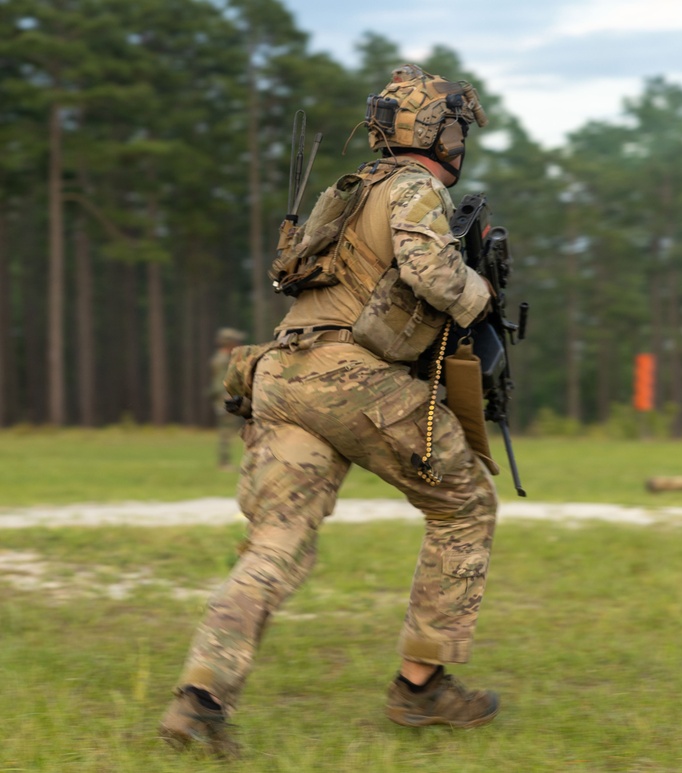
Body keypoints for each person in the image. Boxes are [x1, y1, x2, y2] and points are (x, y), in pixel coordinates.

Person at [160, 65, 498, 757]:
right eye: (456, 127)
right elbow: (431, 274)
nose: (460, 142)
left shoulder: (346, 193)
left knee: (277, 542)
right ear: (435, 132)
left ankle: (200, 696)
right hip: (350, 378)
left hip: (281, 376)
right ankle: (421, 684)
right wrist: (480, 295)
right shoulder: (414, 187)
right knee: (466, 504)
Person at [209, 328, 246, 471]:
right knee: (226, 431)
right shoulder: (222, 360)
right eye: (235, 340)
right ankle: (224, 463)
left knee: (229, 429)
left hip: (226, 396)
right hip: (226, 398)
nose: (238, 343)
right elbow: (220, 381)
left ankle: (225, 462)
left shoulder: (221, 358)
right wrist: (226, 396)